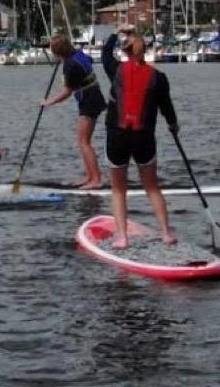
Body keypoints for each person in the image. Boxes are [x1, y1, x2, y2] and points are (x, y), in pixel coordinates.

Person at [101, 25, 179, 248]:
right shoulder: (159, 77)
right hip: (144, 137)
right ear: (145, 51)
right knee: (152, 186)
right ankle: (166, 233)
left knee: (118, 189)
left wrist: (117, 32)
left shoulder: (115, 70)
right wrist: (173, 125)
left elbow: (106, 52)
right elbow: (167, 108)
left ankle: (123, 237)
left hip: (117, 136)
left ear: (125, 52)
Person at [41, 32, 106, 189]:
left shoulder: (70, 65)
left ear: (58, 52)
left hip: (90, 101)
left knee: (84, 142)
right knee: (83, 141)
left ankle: (96, 179)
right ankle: (90, 176)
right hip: (93, 97)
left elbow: (66, 92)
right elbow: (87, 61)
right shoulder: (77, 55)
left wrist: (48, 102)